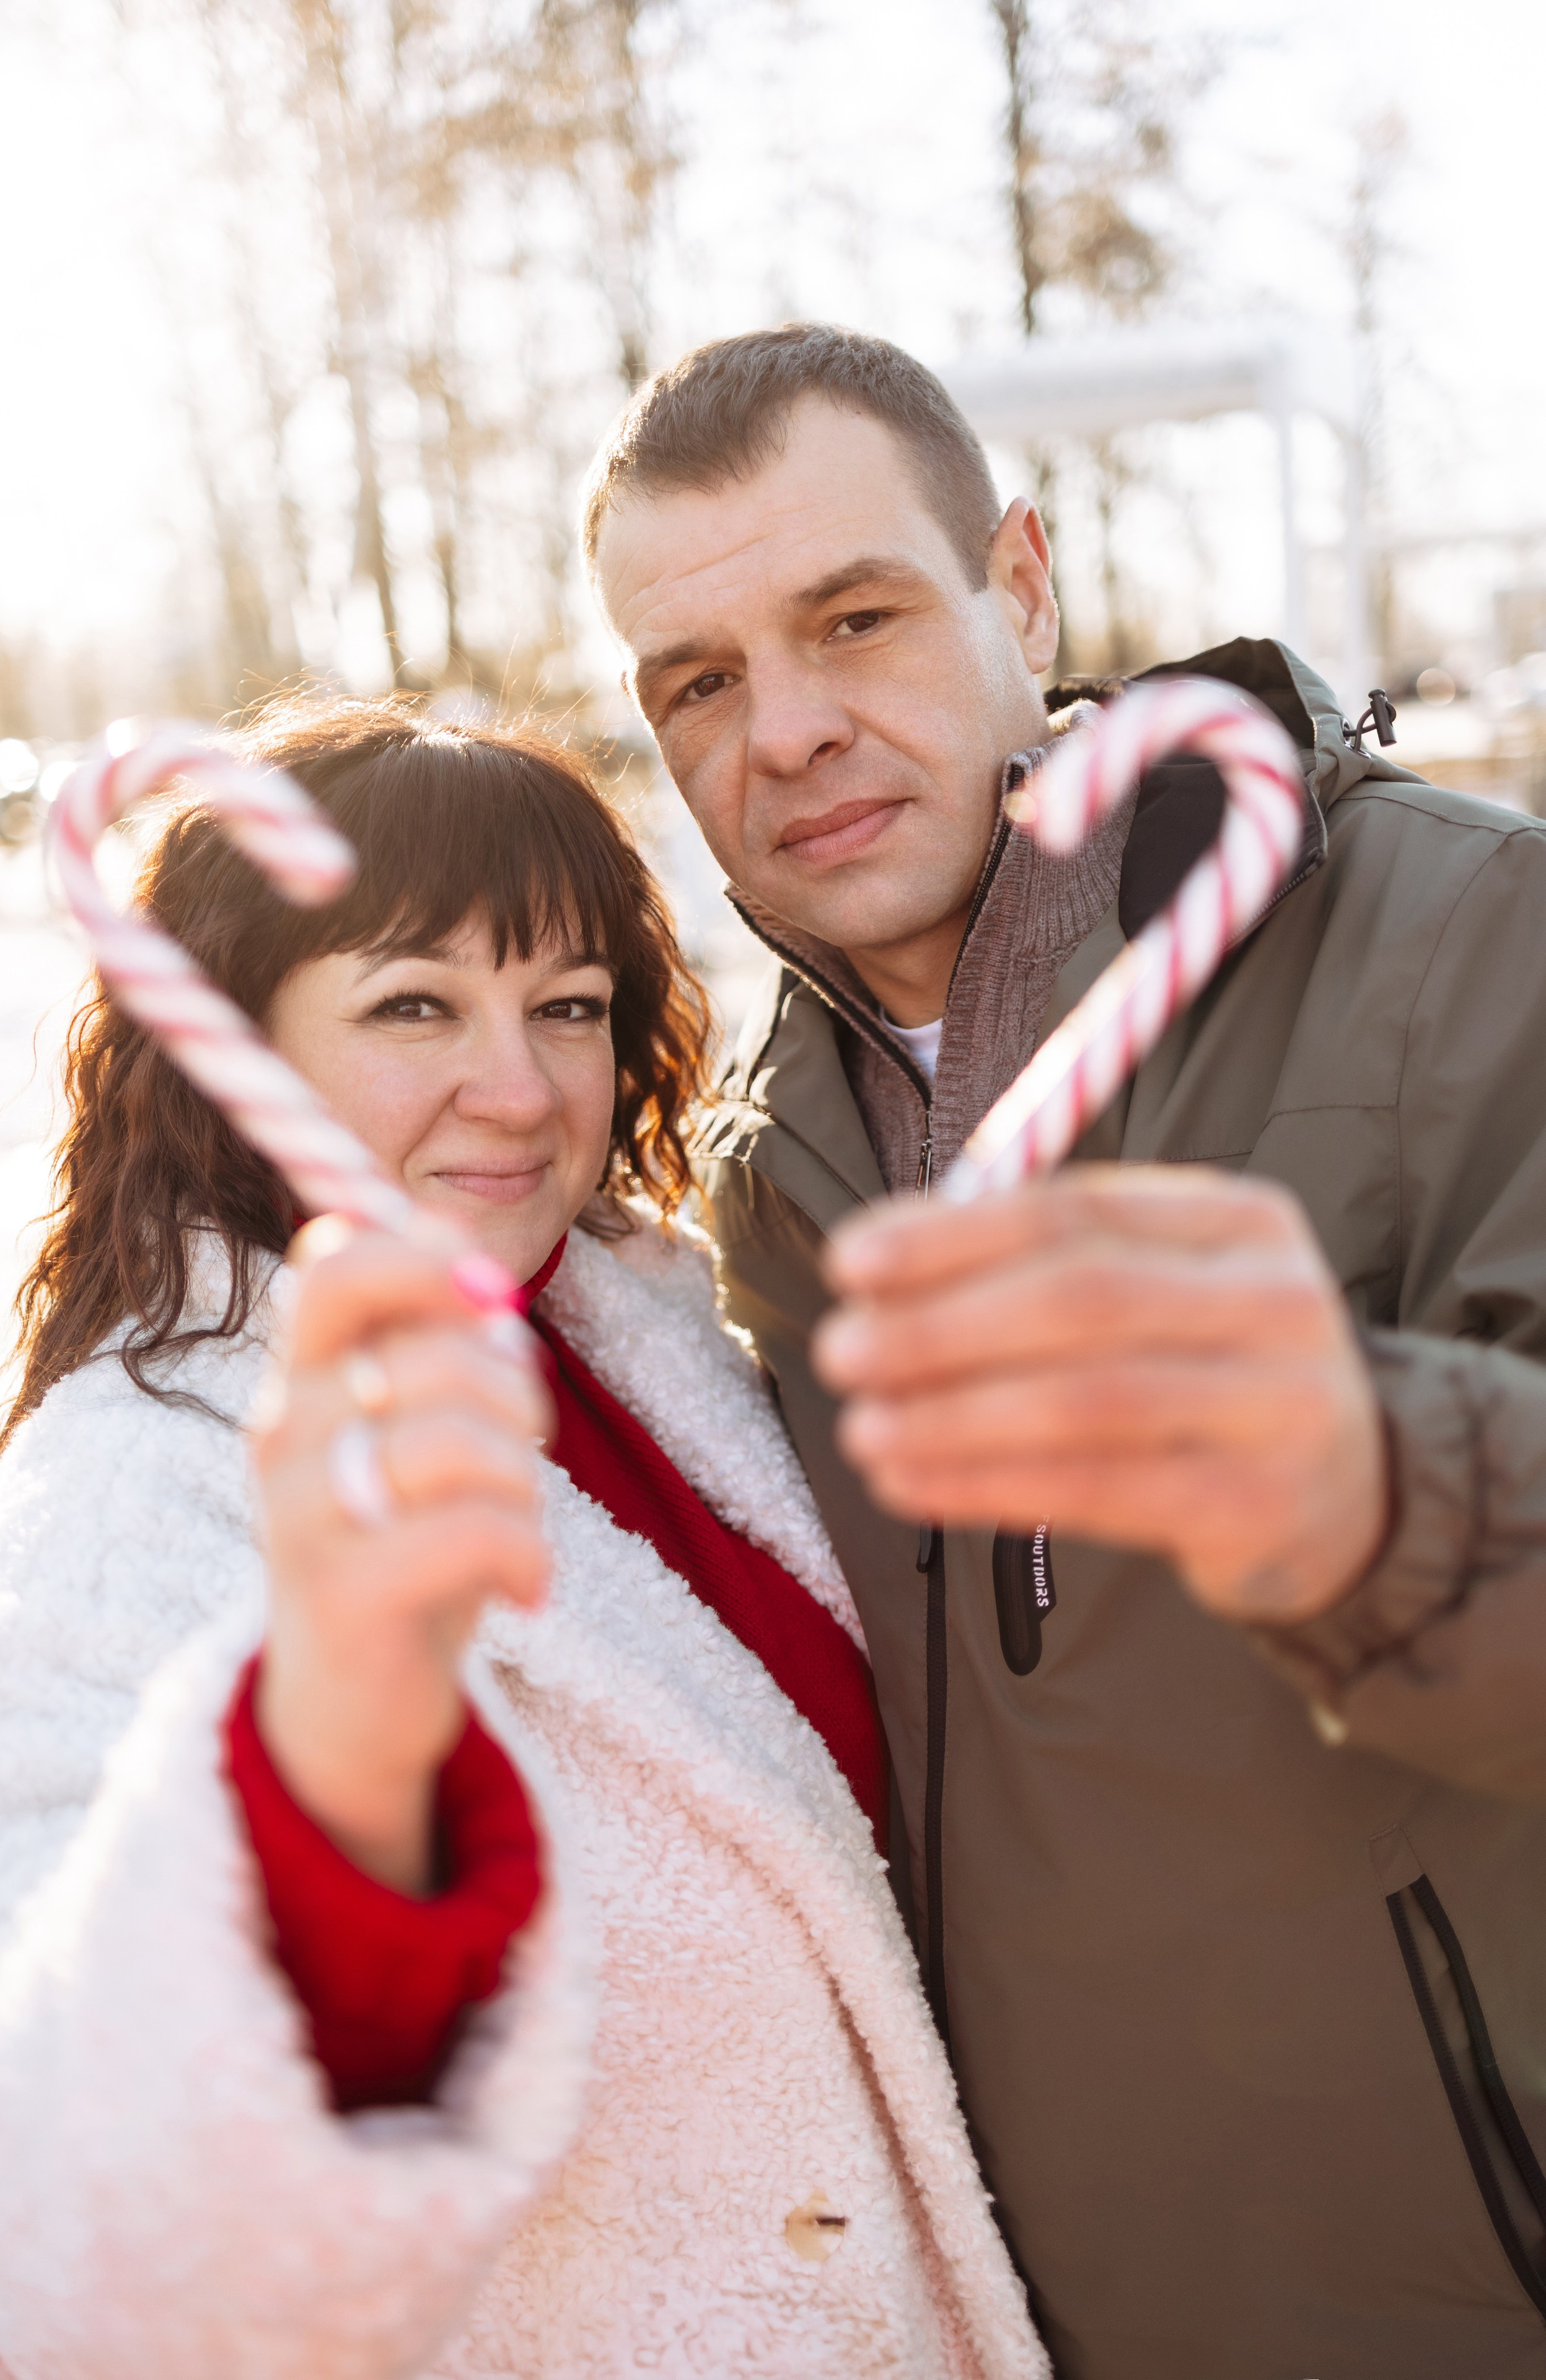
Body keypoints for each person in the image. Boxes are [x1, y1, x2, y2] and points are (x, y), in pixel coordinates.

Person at [584, 322, 1546, 2378]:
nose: (791, 730)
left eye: (856, 616)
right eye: (701, 680)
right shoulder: (769, 1179)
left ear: (1019, 583)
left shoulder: (1466, 944)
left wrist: (1367, 1484)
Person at [0, 698, 1044, 2380]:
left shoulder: (660, 1337)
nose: (523, 1088)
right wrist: (325, 1770)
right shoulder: (128, 1497)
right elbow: (52, 2223)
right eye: (415, 1003)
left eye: (569, 1006)